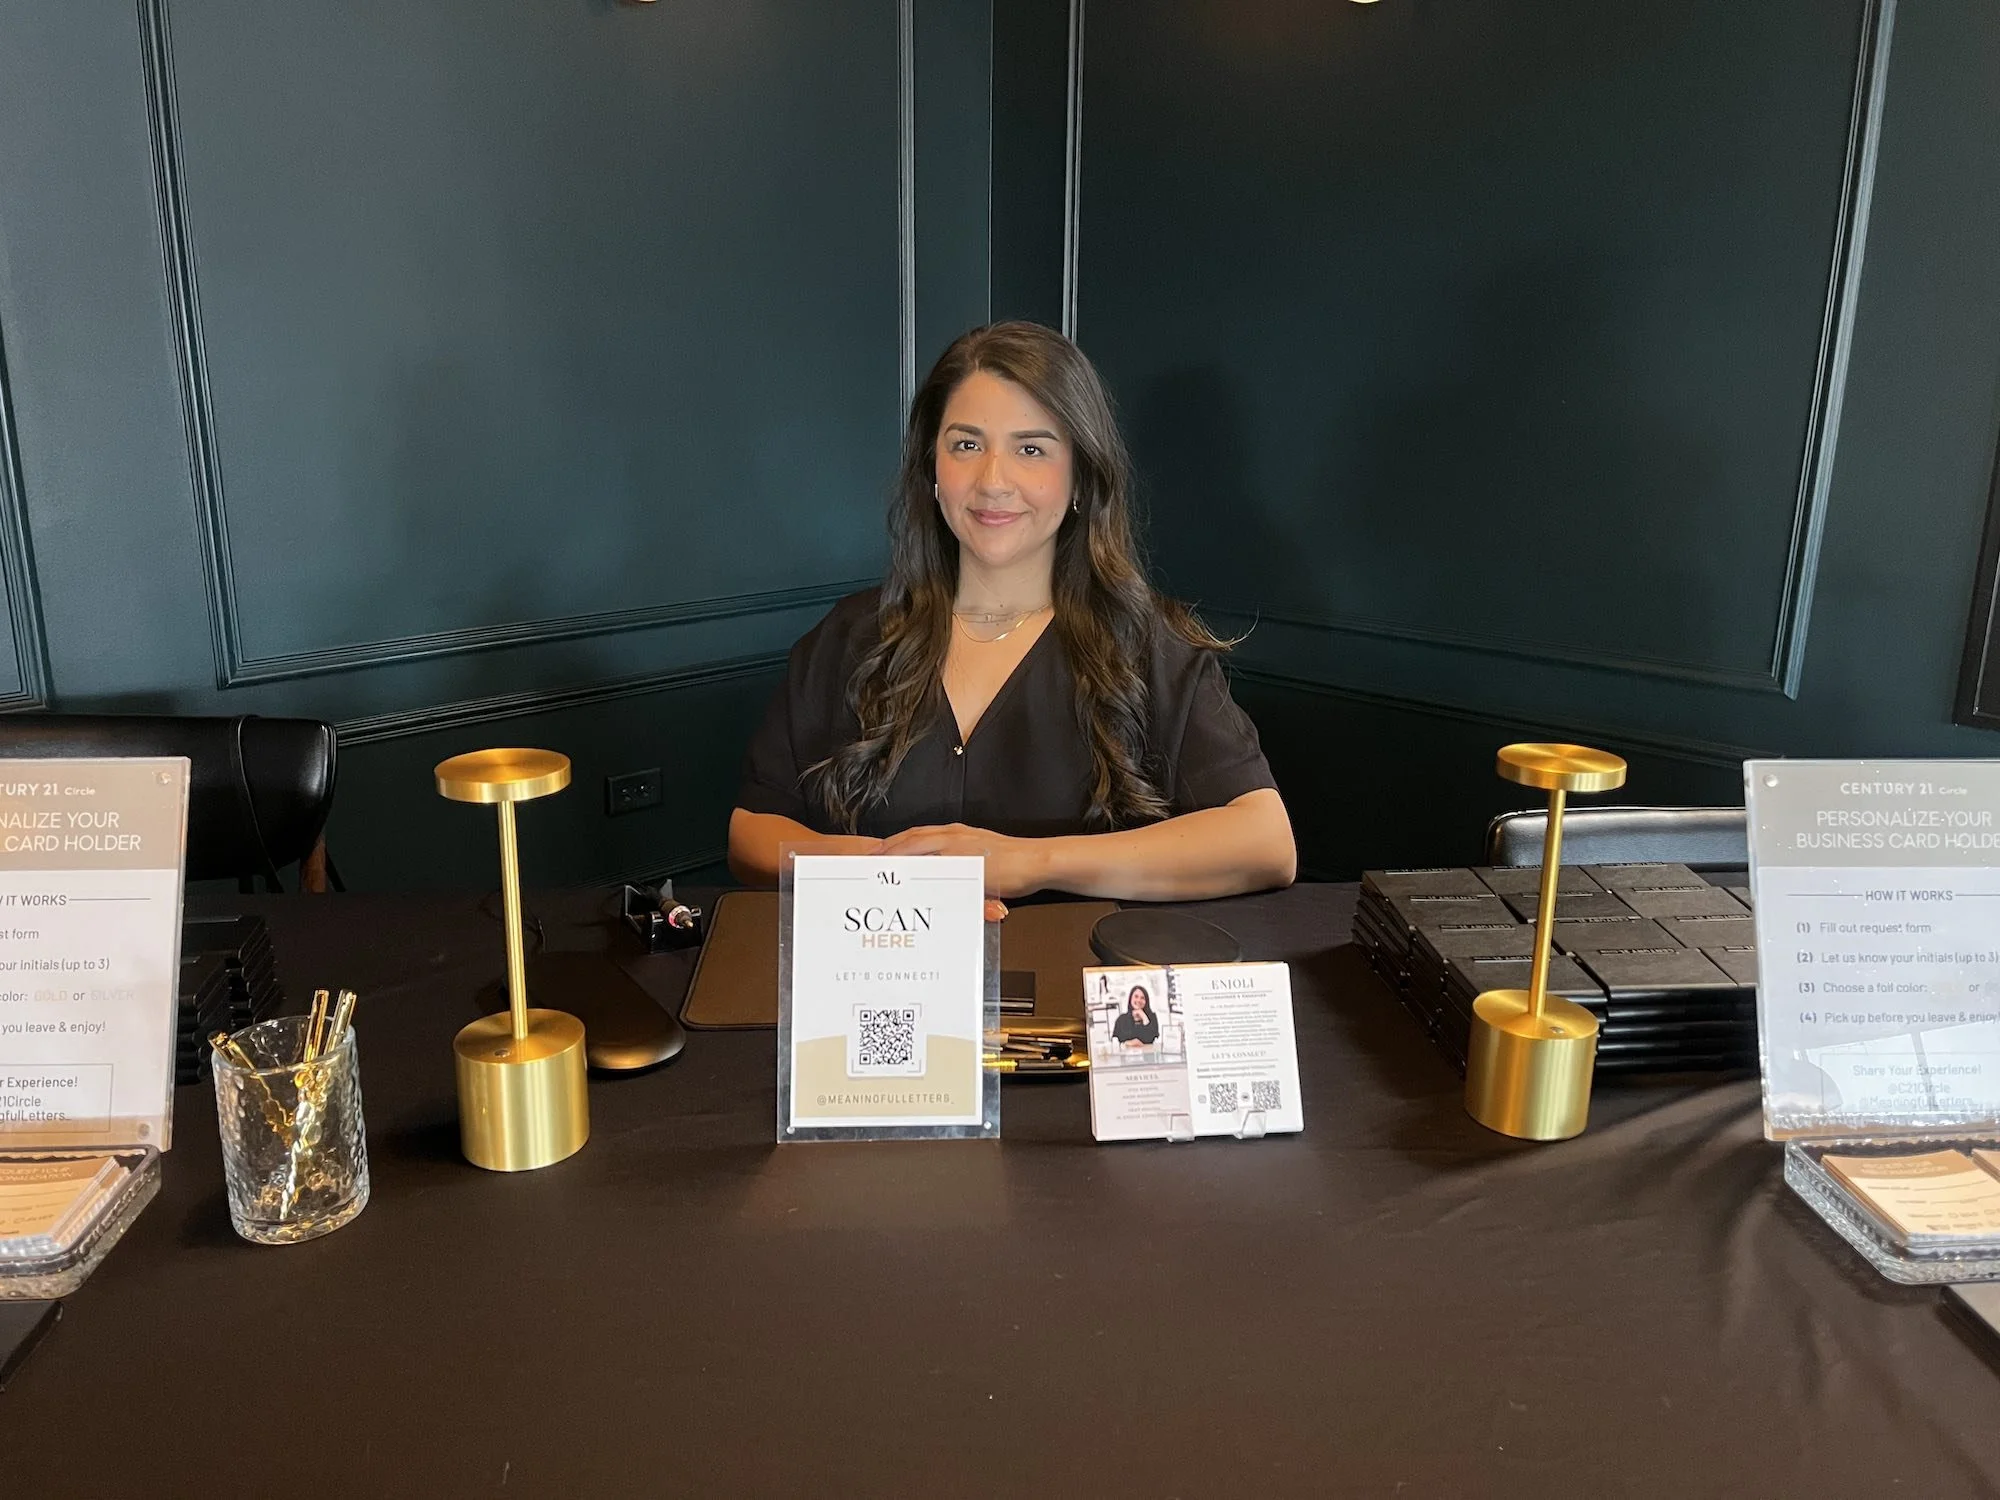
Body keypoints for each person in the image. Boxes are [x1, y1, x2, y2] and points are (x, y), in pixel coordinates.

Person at [728, 321, 1296, 903]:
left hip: (1074, 984)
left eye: (1031, 449)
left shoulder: (1152, 647)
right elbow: (752, 831)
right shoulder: (847, 637)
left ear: (1080, 476)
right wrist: (880, 869)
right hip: (891, 986)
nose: (993, 481)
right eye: (966, 445)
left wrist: (1027, 862)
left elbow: (1266, 842)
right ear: (933, 470)